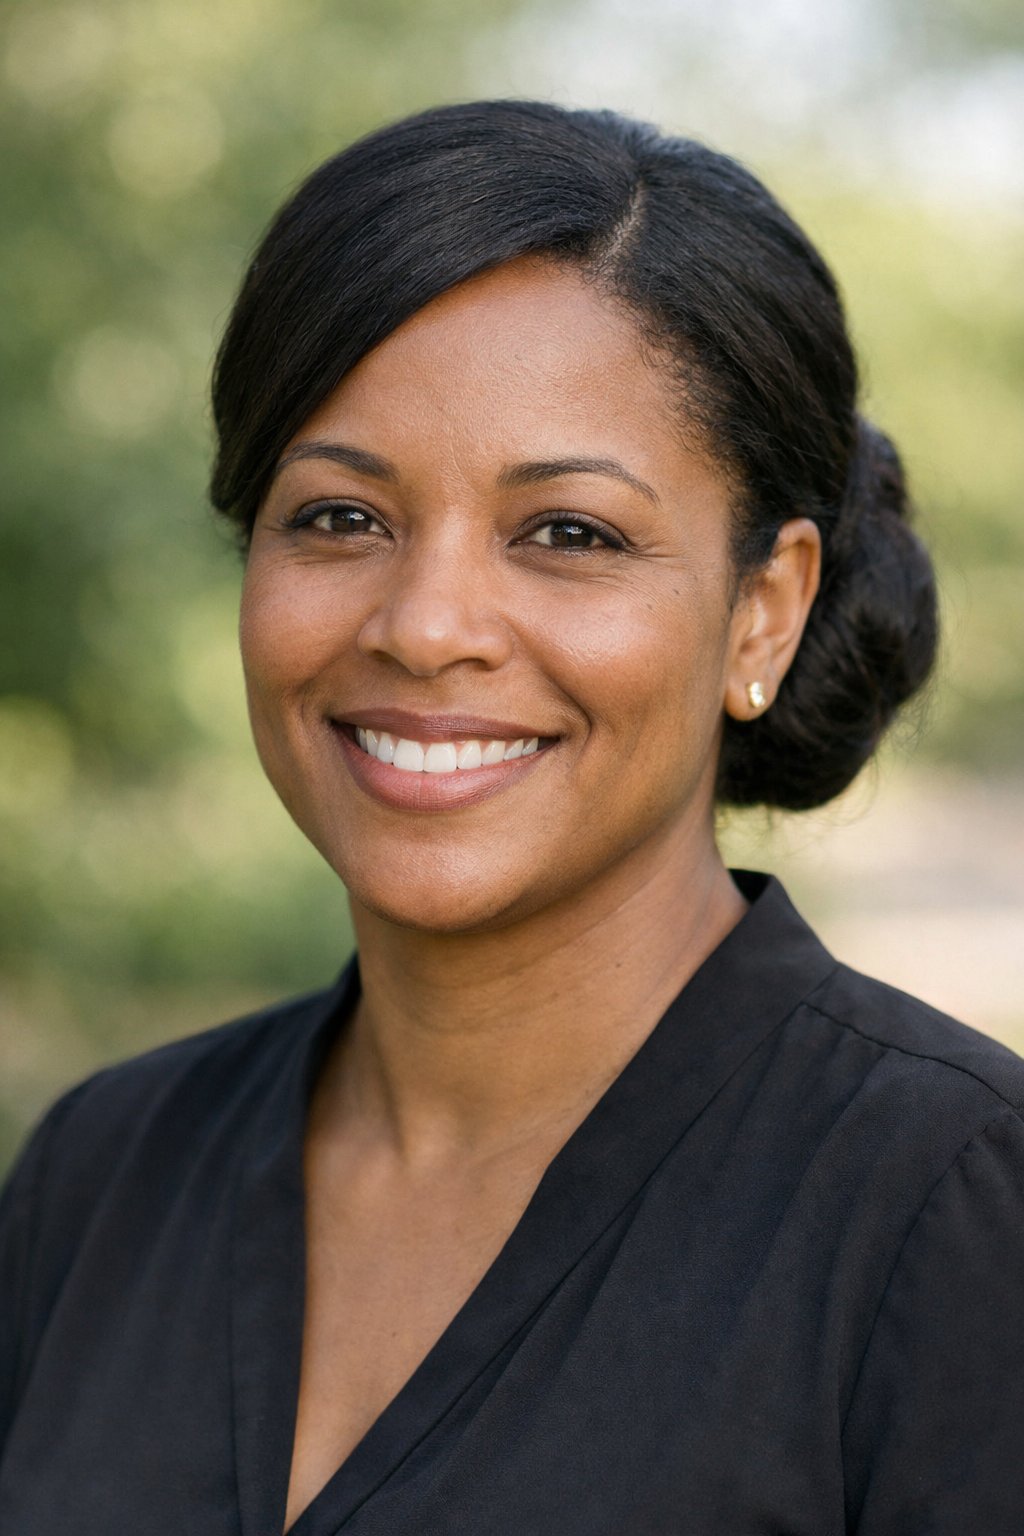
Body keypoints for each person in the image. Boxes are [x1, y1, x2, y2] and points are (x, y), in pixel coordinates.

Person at [1, 99, 1021, 1536]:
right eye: (340, 517)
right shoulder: (103, 1175)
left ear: (764, 611)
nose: (425, 627)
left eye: (570, 535)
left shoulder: (950, 1210)